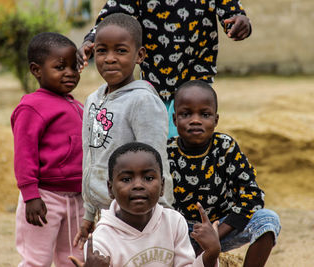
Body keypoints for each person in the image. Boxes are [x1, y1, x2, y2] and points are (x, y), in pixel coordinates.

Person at [77, 0, 252, 137]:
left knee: (191, 143)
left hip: (196, 84)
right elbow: (112, 16)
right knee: (152, 145)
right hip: (154, 86)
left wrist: (241, 21)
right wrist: (91, 39)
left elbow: (232, 13)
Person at [74, 13, 174, 250]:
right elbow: (90, 158)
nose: (109, 59)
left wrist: (163, 216)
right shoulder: (92, 100)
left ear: (139, 55)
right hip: (105, 214)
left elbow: (158, 161)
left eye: (120, 51)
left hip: (138, 215)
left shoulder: (143, 101)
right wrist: (89, 214)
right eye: (102, 51)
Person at [167, 80, 281, 267]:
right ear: (174, 119)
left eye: (204, 114)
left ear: (216, 120)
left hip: (222, 229)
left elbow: (252, 196)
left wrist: (213, 237)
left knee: (268, 220)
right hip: (180, 234)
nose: (195, 120)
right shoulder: (166, 152)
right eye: (186, 114)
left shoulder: (225, 147)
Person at [70, 142, 220, 267]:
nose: (138, 185)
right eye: (126, 179)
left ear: (162, 186)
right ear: (110, 189)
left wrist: (211, 254)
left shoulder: (174, 222)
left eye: (148, 178)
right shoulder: (100, 241)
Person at [10, 32, 84, 266]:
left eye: (74, 66)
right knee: (36, 260)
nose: (70, 73)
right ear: (36, 70)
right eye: (60, 67)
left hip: (77, 197)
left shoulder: (78, 105)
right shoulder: (32, 107)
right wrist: (30, 195)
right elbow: (24, 154)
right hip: (44, 198)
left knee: (74, 258)